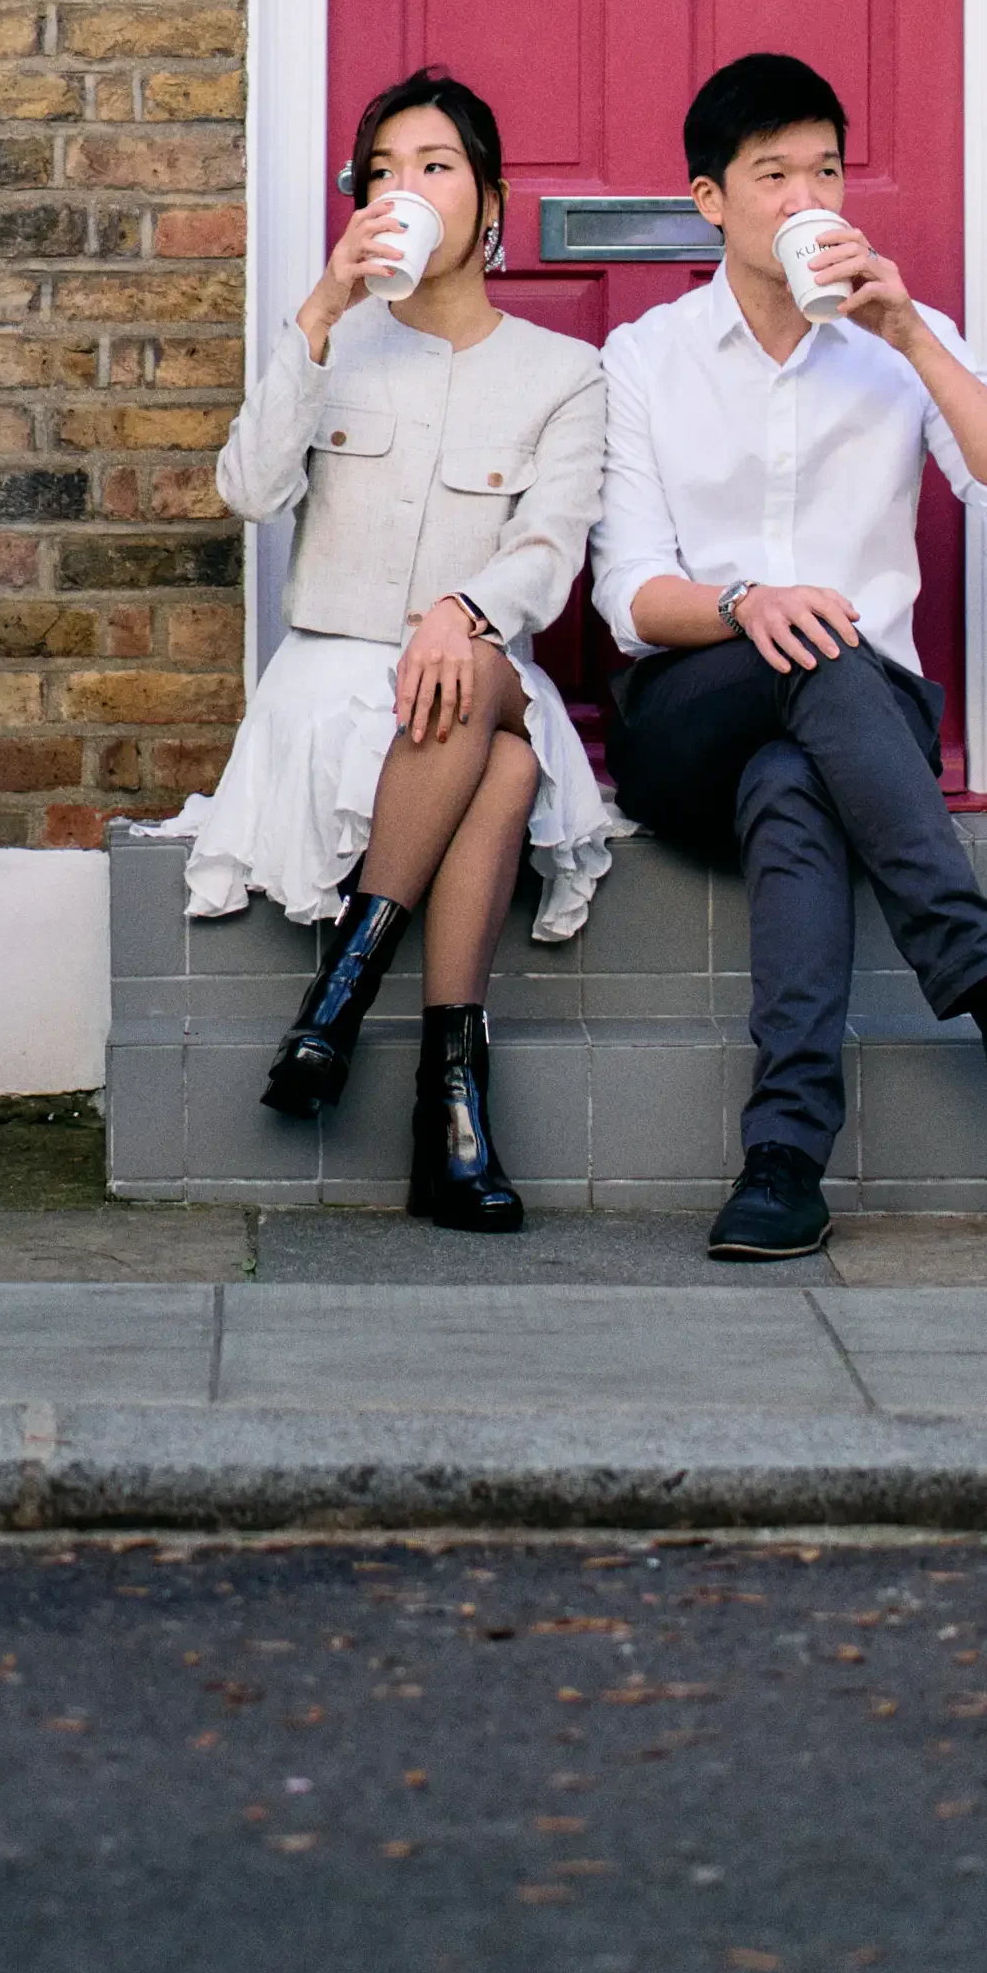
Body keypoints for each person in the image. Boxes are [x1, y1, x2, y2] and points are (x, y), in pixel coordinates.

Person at [591, 50, 987, 1263]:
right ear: (710, 200)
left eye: (822, 169)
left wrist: (911, 337)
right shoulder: (645, 357)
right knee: (814, 647)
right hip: (685, 714)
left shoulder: (900, 338)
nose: (802, 196)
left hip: (842, 728)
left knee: (797, 782)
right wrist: (746, 602)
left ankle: (781, 1163)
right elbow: (628, 596)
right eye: (770, 173)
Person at [172, 68, 613, 1232]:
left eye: (434, 167)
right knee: (504, 763)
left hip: (475, 660)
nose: (403, 189)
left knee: (467, 676)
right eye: (381, 172)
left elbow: (549, 549)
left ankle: (339, 1000)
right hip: (336, 675)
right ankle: (449, 1112)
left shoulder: (564, 375)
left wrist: (461, 610)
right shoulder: (334, 341)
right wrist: (316, 311)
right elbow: (249, 490)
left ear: (490, 201)